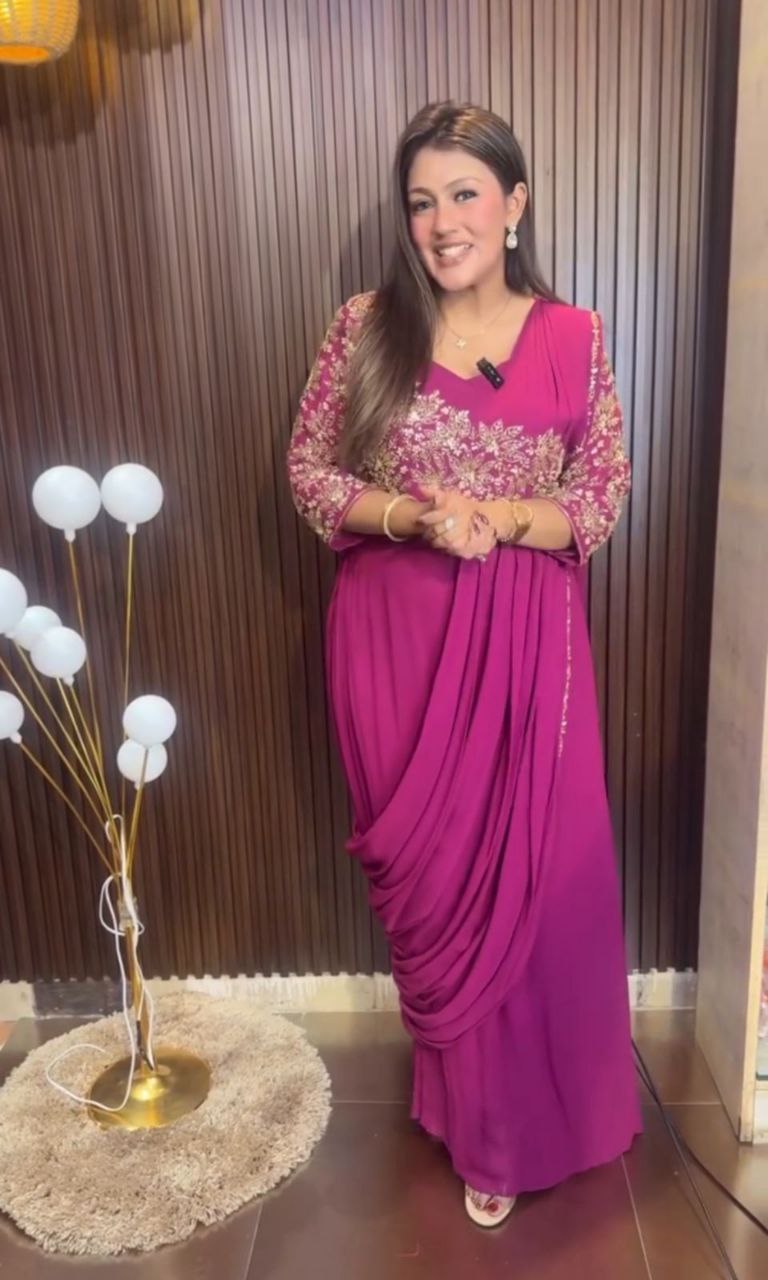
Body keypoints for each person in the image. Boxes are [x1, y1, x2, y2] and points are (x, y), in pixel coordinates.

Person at [287, 101, 641, 1228]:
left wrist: (501, 518)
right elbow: (308, 473)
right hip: (394, 644)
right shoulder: (366, 326)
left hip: (532, 648)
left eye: (465, 194)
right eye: (422, 202)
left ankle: (523, 1129)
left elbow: (601, 492)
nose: (443, 222)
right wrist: (410, 515)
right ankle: (469, 1112)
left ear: (514, 203)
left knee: (539, 880)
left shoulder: (575, 335)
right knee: (442, 882)